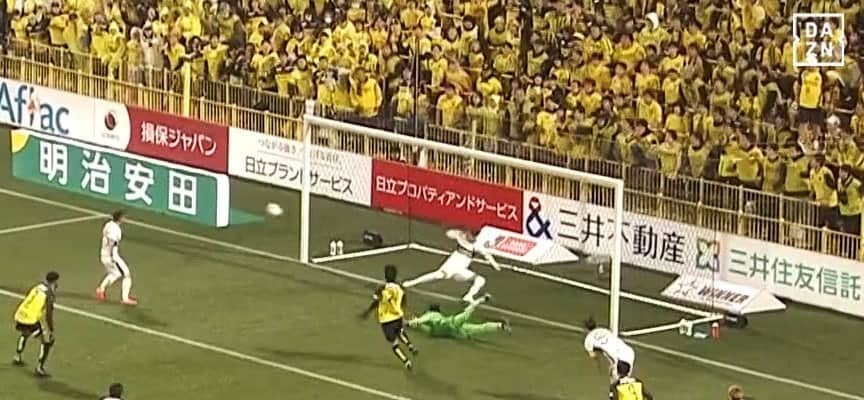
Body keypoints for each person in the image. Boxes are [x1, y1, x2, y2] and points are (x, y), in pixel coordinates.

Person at [402, 229, 501, 303]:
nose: (471, 237)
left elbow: (487, 255)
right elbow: (448, 233)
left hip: (461, 271)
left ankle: (468, 296)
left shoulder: (477, 245)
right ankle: (411, 282)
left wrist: (494, 264)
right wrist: (457, 233)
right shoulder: (461, 237)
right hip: (450, 266)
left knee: (481, 280)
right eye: (470, 235)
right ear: (468, 233)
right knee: (437, 275)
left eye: (474, 236)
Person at [361, 264, 417, 369]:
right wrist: (404, 313)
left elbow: (376, 301)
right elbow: (403, 301)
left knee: (394, 343)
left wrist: (367, 312)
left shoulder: (381, 288)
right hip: (397, 316)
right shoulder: (400, 287)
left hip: (386, 320)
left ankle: (406, 361)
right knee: (400, 331)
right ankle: (410, 345)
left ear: (385, 276)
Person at [13, 271, 59, 377]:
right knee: (47, 341)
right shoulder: (49, 294)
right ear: (54, 281)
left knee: (25, 333)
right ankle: (39, 368)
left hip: (21, 315)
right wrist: (51, 328)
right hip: (31, 320)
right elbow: (48, 313)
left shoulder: (37, 287)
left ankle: (17, 356)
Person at [407, 294, 511, 339]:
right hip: (452, 324)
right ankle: (483, 299)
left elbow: (422, 324)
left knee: (477, 327)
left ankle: (500, 325)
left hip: (452, 332)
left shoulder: (429, 325)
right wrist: (412, 322)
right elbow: (420, 321)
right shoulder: (432, 315)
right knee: (469, 313)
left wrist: (410, 323)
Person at [96, 210, 137, 305]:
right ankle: (125, 298)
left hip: (104, 254)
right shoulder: (116, 230)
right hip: (112, 257)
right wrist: (112, 257)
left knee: (115, 273)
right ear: (120, 218)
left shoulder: (108, 225)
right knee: (126, 275)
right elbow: (112, 243)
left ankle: (101, 289)